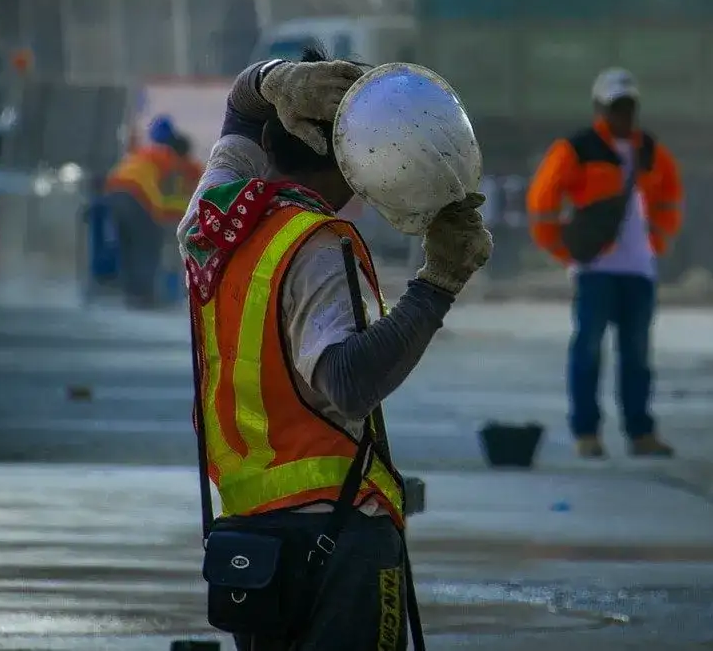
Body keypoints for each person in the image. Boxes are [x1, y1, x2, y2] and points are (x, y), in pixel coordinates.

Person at [178, 48, 492, 650]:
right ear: (352, 160)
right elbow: (346, 381)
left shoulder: (212, 222)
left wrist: (273, 79)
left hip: (250, 537)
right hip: (337, 538)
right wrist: (439, 283)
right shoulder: (319, 243)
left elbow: (238, 114)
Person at [526, 67, 683, 459]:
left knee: (637, 355)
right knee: (589, 352)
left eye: (628, 106)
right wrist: (565, 252)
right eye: (616, 107)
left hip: (638, 272)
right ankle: (586, 433)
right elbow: (541, 202)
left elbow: (670, 199)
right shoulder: (576, 149)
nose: (623, 115)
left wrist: (656, 242)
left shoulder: (651, 151)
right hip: (596, 271)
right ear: (600, 108)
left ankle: (640, 432)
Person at [104, 115, 190, 307]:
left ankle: (130, 294)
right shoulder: (169, 158)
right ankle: (143, 296)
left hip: (113, 191)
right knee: (147, 245)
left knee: (127, 245)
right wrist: (182, 213)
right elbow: (167, 197)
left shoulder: (144, 153)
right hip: (137, 196)